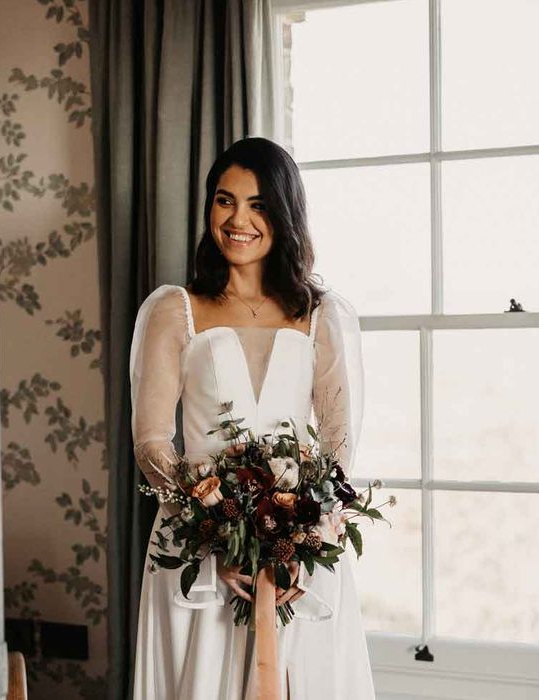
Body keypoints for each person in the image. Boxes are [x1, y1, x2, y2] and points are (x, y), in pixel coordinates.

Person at [129, 136, 375, 699]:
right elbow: (150, 441)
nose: (238, 219)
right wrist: (215, 530)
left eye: (258, 204)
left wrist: (306, 538)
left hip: (299, 553)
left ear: (285, 213)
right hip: (198, 553)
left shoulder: (322, 316)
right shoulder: (174, 310)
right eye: (224, 200)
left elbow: (337, 449)